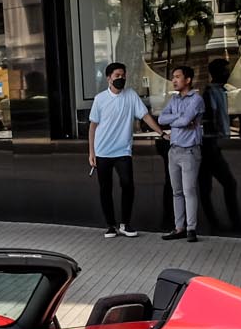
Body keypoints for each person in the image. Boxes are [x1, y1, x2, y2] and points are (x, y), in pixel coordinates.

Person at [87, 61, 166, 237]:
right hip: (102, 152)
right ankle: (110, 225)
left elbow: (145, 116)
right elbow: (92, 127)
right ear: (109, 78)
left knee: (128, 185)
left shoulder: (131, 95)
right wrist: (91, 152)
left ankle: (125, 224)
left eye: (123, 75)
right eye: (117, 76)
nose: (121, 78)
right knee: (105, 189)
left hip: (123, 151)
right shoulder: (100, 99)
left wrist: (162, 133)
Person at [199, 58, 241, 234]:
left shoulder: (221, 91)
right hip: (208, 146)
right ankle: (228, 223)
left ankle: (217, 224)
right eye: (226, 70)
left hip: (213, 145)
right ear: (218, 73)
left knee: (207, 186)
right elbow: (210, 120)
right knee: (227, 183)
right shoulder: (210, 93)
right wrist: (214, 142)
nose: (229, 74)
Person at [159, 65, 204, 242]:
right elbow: (162, 119)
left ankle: (191, 229)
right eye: (173, 77)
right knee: (176, 192)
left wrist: (180, 119)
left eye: (178, 77)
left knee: (189, 191)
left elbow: (186, 120)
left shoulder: (197, 99)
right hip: (174, 150)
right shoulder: (174, 99)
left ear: (188, 80)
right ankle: (179, 228)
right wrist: (180, 118)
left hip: (190, 151)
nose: (174, 80)